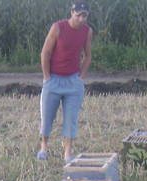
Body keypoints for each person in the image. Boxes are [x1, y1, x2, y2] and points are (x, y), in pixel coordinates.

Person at [37, 2, 92, 162]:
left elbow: (87, 55)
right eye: (78, 15)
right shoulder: (58, 27)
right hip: (53, 80)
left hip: (73, 83)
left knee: (71, 119)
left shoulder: (87, 31)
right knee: (47, 117)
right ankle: (44, 147)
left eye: (85, 16)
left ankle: (67, 152)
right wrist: (47, 77)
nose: (81, 19)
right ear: (72, 12)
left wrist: (81, 78)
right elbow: (45, 53)